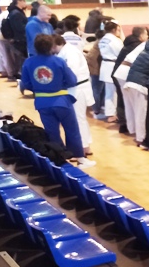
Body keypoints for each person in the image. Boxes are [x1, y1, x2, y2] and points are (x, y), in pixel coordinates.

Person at [19, 34, 94, 166]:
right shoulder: (59, 61)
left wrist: (39, 88)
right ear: (51, 46)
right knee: (72, 130)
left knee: (52, 132)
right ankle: (80, 158)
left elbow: (25, 83)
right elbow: (72, 80)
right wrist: (60, 84)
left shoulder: (28, 62)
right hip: (61, 101)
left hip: (42, 102)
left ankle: (60, 159)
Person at [52, 34, 95, 157]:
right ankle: (84, 145)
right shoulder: (65, 52)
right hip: (72, 88)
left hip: (78, 88)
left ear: (56, 44)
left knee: (78, 118)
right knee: (77, 118)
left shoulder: (71, 53)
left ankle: (84, 146)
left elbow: (72, 73)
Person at [112, 26, 148, 135]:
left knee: (125, 101)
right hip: (127, 73)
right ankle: (139, 133)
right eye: (146, 34)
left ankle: (128, 126)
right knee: (136, 105)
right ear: (141, 36)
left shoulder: (127, 43)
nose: (147, 36)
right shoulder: (140, 46)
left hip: (118, 72)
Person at [96, 20, 123, 121]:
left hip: (106, 65)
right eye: (118, 30)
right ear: (114, 30)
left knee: (109, 92)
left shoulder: (103, 39)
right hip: (112, 65)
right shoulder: (115, 40)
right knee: (113, 92)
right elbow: (121, 53)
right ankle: (112, 114)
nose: (119, 32)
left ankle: (111, 113)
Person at [5, 0, 29, 68]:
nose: (25, 2)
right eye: (24, 1)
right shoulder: (16, 14)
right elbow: (20, 28)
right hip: (20, 40)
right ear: (19, 1)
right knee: (21, 59)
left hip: (19, 39)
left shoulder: (16, 12)